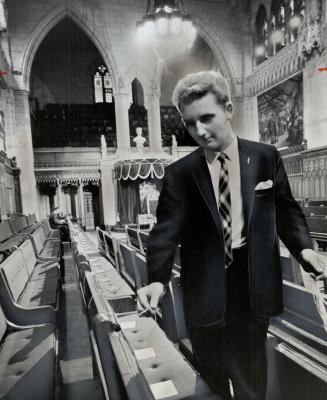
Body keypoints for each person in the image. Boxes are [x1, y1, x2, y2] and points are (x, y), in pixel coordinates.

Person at [137, 71, 327, 400]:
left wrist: (305, 251)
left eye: (207, 118)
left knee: (251, 388)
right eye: (190, 123)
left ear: (228, 109)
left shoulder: (266, 157)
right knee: (211, 387)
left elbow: (286, 211)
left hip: (253, 289)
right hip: (204, 295)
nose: (199, 130)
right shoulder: (179, 174)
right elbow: (164, 233)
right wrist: (156, 279)